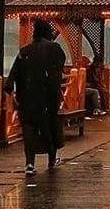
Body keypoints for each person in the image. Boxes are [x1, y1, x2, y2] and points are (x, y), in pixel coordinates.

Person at [4, 19, 66, 175]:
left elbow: (13, 74)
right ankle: (52, 159)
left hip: (27, 98)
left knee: (29, 129)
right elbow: (59, 67)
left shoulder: (24, 51)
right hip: (48, 97)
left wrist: (12, 93)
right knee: (49, 127)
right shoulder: (55, 49)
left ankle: (30, 163)